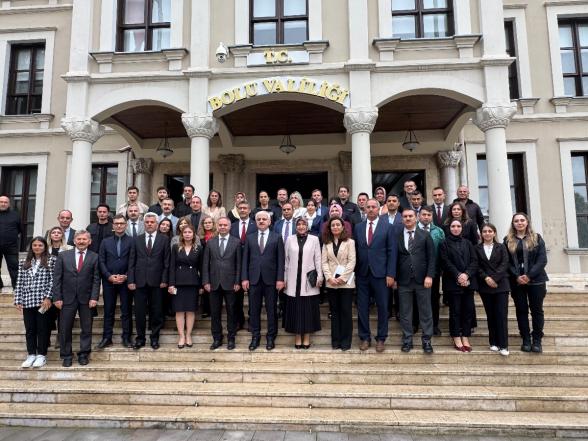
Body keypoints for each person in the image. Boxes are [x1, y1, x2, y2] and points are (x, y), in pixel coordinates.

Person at [354, 198, 397, 352]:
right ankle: (365, 337)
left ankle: (381, 338)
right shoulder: (358, 227)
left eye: (373, 207)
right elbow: (356, 251)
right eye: (368, 207)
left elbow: (392, 252)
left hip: (381, 274)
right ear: (364, 209)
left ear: (379, 209)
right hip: (362, 273)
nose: (371, 209)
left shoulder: (388, 227)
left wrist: (391, 274)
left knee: (383, 307)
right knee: (362, 307)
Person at [52, 230, 100, 367]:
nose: (81, 241)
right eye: (79, 239)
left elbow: (96, 279)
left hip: (87, 299)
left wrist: (94, 297)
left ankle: (84, 354)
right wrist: (57, 297)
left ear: (89, 241)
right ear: (74, 241)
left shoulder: (95, 257)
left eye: (84, 239)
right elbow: (57, 278)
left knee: (86, 328)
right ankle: (66, 355)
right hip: (66, 298)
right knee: (65, 328)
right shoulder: (63, 256)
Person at [504, 213, 548, 353]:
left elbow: (542, 260)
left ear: (527, 222)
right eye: (516, 221)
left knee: (536, 311)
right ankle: (526, 339)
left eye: (522, 220)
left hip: (536, 281)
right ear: (513, 224)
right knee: (521, 311)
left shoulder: (537, 238)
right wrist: (517, 276)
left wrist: (528, 276)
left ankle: (537, 340)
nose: (519, 223)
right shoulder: (508, 240)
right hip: (516, 282)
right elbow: (506, 262)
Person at [241, 211, 285, 351]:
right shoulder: (250, 237)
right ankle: (255, 336)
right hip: (253, 279)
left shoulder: (277, 237)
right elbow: (245, 260)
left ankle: (271, 337)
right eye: (258, 219)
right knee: (254, 310)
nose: (261, 221)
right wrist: (244, 278)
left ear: (269, 221)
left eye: (264, 219)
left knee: (271, 310)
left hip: (271, 280)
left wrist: (280, 279)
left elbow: (281, 260)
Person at [127, 212, 171, 350]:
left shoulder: (164, 240)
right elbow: (131, 261)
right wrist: (131, 280)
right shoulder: (137, 240)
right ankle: (140, 338)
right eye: (147, 222)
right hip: (139, 282)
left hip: (157, 282)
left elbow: (166, 262)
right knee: (139, 312)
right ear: (144, 223)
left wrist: (165, 279)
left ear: (157, 224)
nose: (150, 224)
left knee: (156, 311)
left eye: (152, 222)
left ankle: (154, 338)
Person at [395, 209, 436, 353]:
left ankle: (427, 341)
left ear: (416, 217)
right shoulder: (397, 236)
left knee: (425, 312)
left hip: (422, 280)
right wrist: (393, 277)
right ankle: (407, 340)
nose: (407, 219)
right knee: (405, 313)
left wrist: (429, 276)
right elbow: (394, 258)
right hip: (403, 281)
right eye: (405, 216)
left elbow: (432, 258)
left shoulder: (425, 235)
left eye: (410, 216)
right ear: (402, 219)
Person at [14, 236, 55, 368]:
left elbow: (53, 281)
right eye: (35, 245)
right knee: (30, 329)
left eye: (40, 245)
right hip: (27, 300)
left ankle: (41, 355)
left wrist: (48, 297)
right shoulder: (24, 262)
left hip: (43, 301)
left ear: (45, 247)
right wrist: (18, 300)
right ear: (31, 247)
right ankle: (31, 354)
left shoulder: (51, 260)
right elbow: (19, 282)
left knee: (42, 328)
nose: (37, 247)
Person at [202, 217, 241, 350]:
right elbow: (205, 263)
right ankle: (217, 338)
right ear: (217, 227)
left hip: (231, 283)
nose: (223, 227)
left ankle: (231, 338)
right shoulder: (210, 242)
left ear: (229, 227)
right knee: (215, 312)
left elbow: (239, 264)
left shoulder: (236, 242)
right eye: (220, 225)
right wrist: (205, 281)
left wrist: (237, 281)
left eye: (225, 225)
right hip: (213, 283)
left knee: (231, 312)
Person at [439, 219, 478, 352]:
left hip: (468, 282)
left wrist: (466, 275)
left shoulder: (468, 243)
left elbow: (474, 261)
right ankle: (456, 336)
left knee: (467, 311)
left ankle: (465, 336)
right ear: (449, 228)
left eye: (458, 226)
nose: (456, 228)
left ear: (462, 228)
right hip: (452, 283)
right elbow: (445, 262)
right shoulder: (444, 243)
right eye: (453, 226)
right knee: (455, 311)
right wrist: (458, 275)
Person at [98, 214, 134, 349]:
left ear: (126, 225)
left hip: (125, 281)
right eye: (116, 223)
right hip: (109, 281)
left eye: (122, 223)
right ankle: (107, 337)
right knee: (108, 310)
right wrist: (108, 276)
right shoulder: (105, 242)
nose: (119, 226)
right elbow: (101, 261)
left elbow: (133, 261)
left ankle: (126, 337)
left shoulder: (132, 241)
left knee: (126, 311)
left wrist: (126, 276)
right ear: (113, 226)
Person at [476, 223, 510, 356]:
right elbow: (476, 265)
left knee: (501, 315)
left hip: (501, 285)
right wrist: (486, 278)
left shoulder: (501, 247)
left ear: (494, 233)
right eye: (484, 231)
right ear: (481, 234)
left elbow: (505, 264)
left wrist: (494, 279)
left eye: (490, 231)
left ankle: (504, 345)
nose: (487, 233)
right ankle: (493, 342)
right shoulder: (476, 248)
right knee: (490, 315)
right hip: (485, 286)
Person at [322, 216, 356, 351]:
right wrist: (329, 278)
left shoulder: (350, 242)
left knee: (346, 312)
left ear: (343, 227)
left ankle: (346, 341)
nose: (335, 227)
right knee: (334, 312)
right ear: (329, 228)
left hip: (346, 283)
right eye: (333, 225)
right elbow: (324, 262)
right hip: (331, 283)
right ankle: (335, 341)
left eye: (338, 225)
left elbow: (352, 261)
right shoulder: (326, 243)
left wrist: (343, 277)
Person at [168, 224, 202, 349]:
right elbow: (172, 266)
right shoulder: (176, 247)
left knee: (190, 310)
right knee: (179, 310)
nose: (187, 234)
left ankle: (188, 335)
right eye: (185, 232)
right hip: (179, 282)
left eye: (190, 232)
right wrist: (171, 284)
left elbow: (201, 267)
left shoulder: (198, 248)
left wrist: (202, 284)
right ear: (182, 234)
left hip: (193, 282)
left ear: (194, 234)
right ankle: (181, 336)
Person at [417, 206, 445, 336]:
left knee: (433, 298)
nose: (426, 217)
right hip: (415, 271)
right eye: (424, 214)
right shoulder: (412, 229)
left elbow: (443, 252)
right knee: (415, 298)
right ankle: (415, 323)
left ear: (431, 216)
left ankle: (434, 325)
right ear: (419, 216)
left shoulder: (438, 231)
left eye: (429, 215)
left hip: (433, 271)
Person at [230, 200, 257, 330]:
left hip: (252, 264)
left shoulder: (256, 224)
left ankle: (252, 320)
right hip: (235, 265)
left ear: (249, 210)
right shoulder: (232, 226)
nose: (242, 210)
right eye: (240, 208)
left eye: (245, 208)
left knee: (252, 296)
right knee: (236, 296)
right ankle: (238, 321)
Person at [0, 195, 21, 289]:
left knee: (14, 267)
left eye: (5, 202)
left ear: (9, 204)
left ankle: (17, 288)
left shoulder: (15, 215)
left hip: (11, 247)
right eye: (1, 202)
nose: (3, 204)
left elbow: (20, 230)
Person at [197, 215, 216, 318]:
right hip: (204, 265)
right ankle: (206, 310)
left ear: (213, 224)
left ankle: (214, 309)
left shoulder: (217, 237)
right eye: (205, 223)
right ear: (203, 225)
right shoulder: (200, 239)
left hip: (215, 265)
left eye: (209, 223)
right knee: (205, 287)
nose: (207, 224)